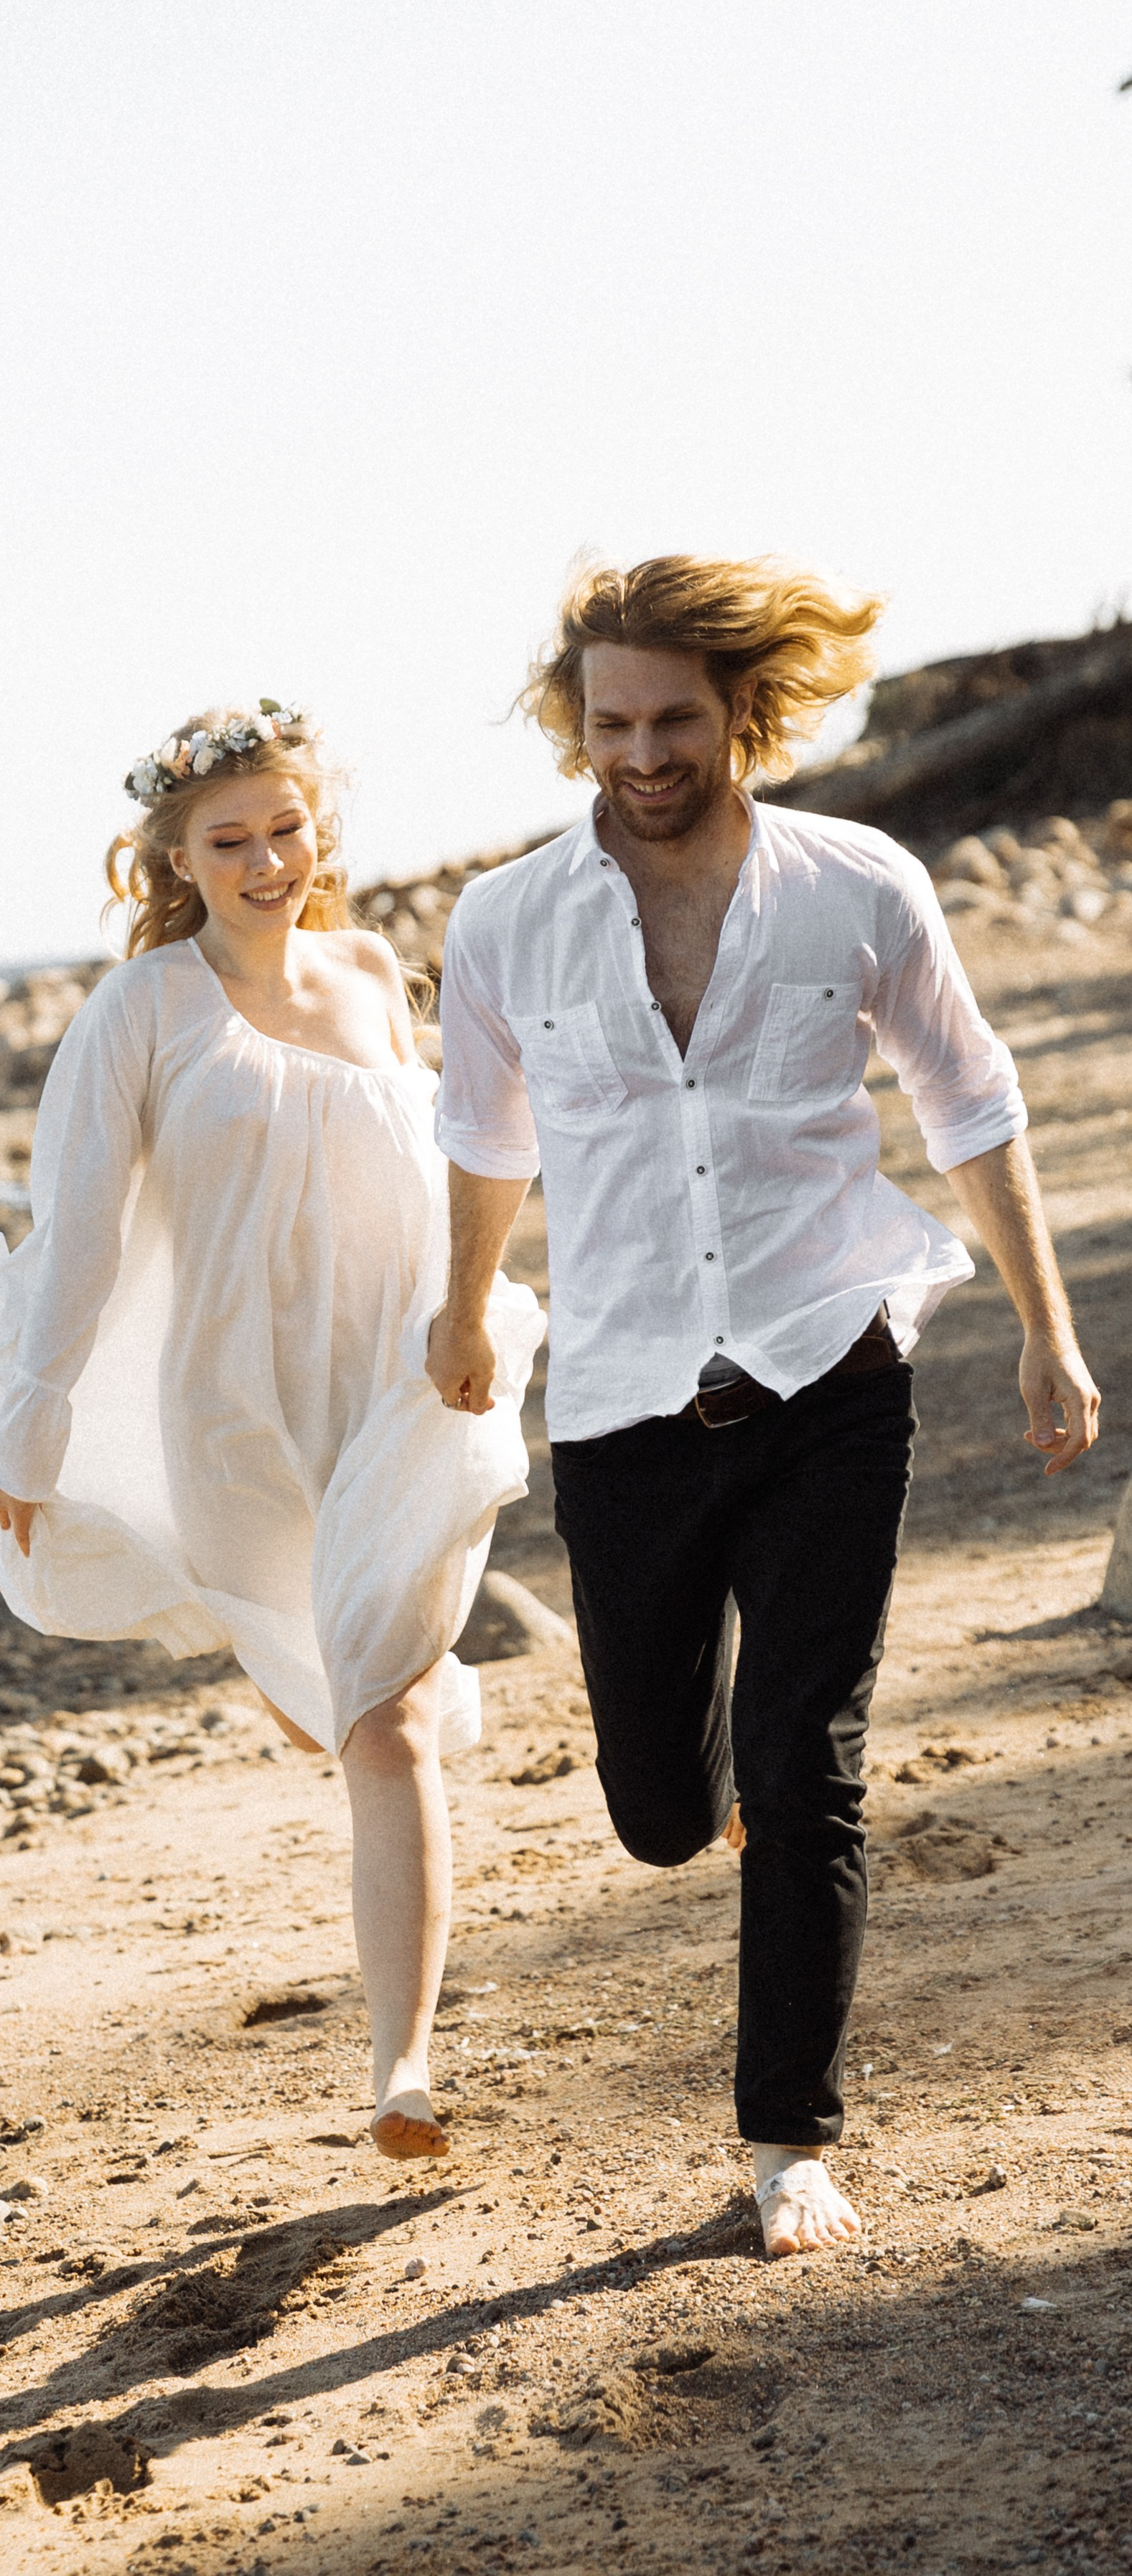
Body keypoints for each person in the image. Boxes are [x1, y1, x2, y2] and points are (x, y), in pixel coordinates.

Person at [425, 558, 1100, 2256]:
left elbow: (968, 1095)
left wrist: (1044, 1326)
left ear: (741, 711)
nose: (639, 753)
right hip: (629, 1390)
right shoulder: (508, 918)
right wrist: (457, 1309)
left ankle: (785, 2139)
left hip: (828, 1366)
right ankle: (702, 1755)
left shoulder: (853, 884)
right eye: (608, 724)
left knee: (812, 1770)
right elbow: (485, 1132)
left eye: (669, 718)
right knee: (662, 1809)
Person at [0, 703, 545, 2158]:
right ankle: (338, 1682)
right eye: (229, 838)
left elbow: (459, 1151)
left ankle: (400, 2064)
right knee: (319, 1684)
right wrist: (24, 1430)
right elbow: (76, 1236)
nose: (267, 859)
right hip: (228, 1413)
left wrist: (470, 1305)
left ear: (317, 829)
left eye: (286, 827)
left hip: (404, 1383)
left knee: (382, 1721)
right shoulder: (139, 1010)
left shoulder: (376, 972)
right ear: (171, 854)